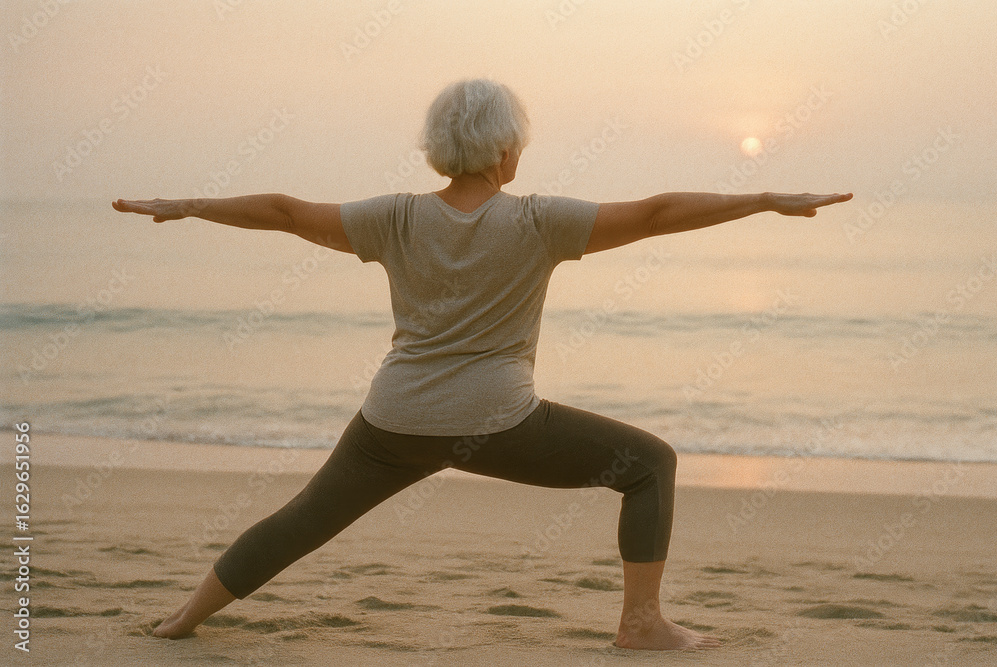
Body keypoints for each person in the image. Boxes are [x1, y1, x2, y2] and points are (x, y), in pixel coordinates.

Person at [112, 78, 852, 651]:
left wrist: (189, 203)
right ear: (506, 150)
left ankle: (183, 617)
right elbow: (657, 212)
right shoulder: (539, 219)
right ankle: (642, 623)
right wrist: (761, 199)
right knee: (649, 463)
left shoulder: (393, 216)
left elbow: (285, 209)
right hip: (497, 421)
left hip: (392, 418)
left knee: (303, 519)